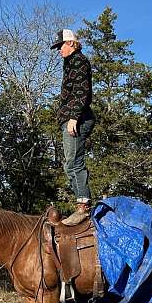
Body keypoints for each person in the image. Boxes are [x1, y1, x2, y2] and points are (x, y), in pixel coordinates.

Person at [51, 29, 95, 226]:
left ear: (71, 43)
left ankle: (83, 207)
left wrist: (73, 117)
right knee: (69, 164)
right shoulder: (69, 63)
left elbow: (81, 91)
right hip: (70, 117)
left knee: (74, 163)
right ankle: (82, 203)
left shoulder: (78, 61)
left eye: (60, 46)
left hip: (77, 118)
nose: (59, 50)